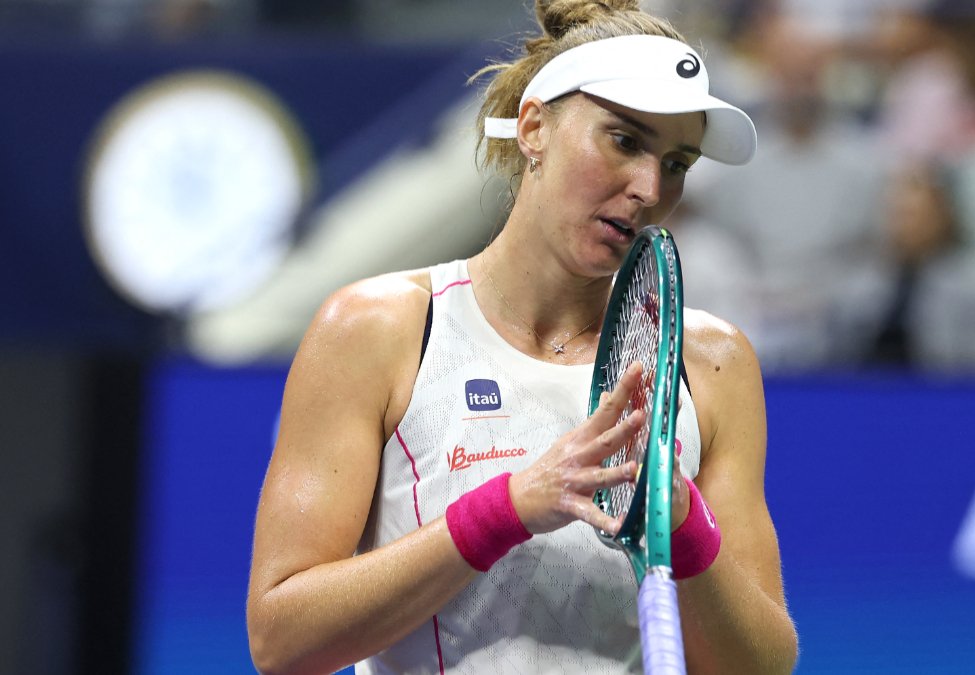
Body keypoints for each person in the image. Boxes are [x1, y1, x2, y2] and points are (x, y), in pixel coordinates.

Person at [245, 1, 799, 673]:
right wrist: (509, 508)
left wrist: (680, 522)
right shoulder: (377, 329)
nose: (650, 187)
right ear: (534, 127)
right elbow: (281, 640)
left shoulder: (711, 363)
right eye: (624, 141)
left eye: (677, 162)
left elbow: (763, 664)